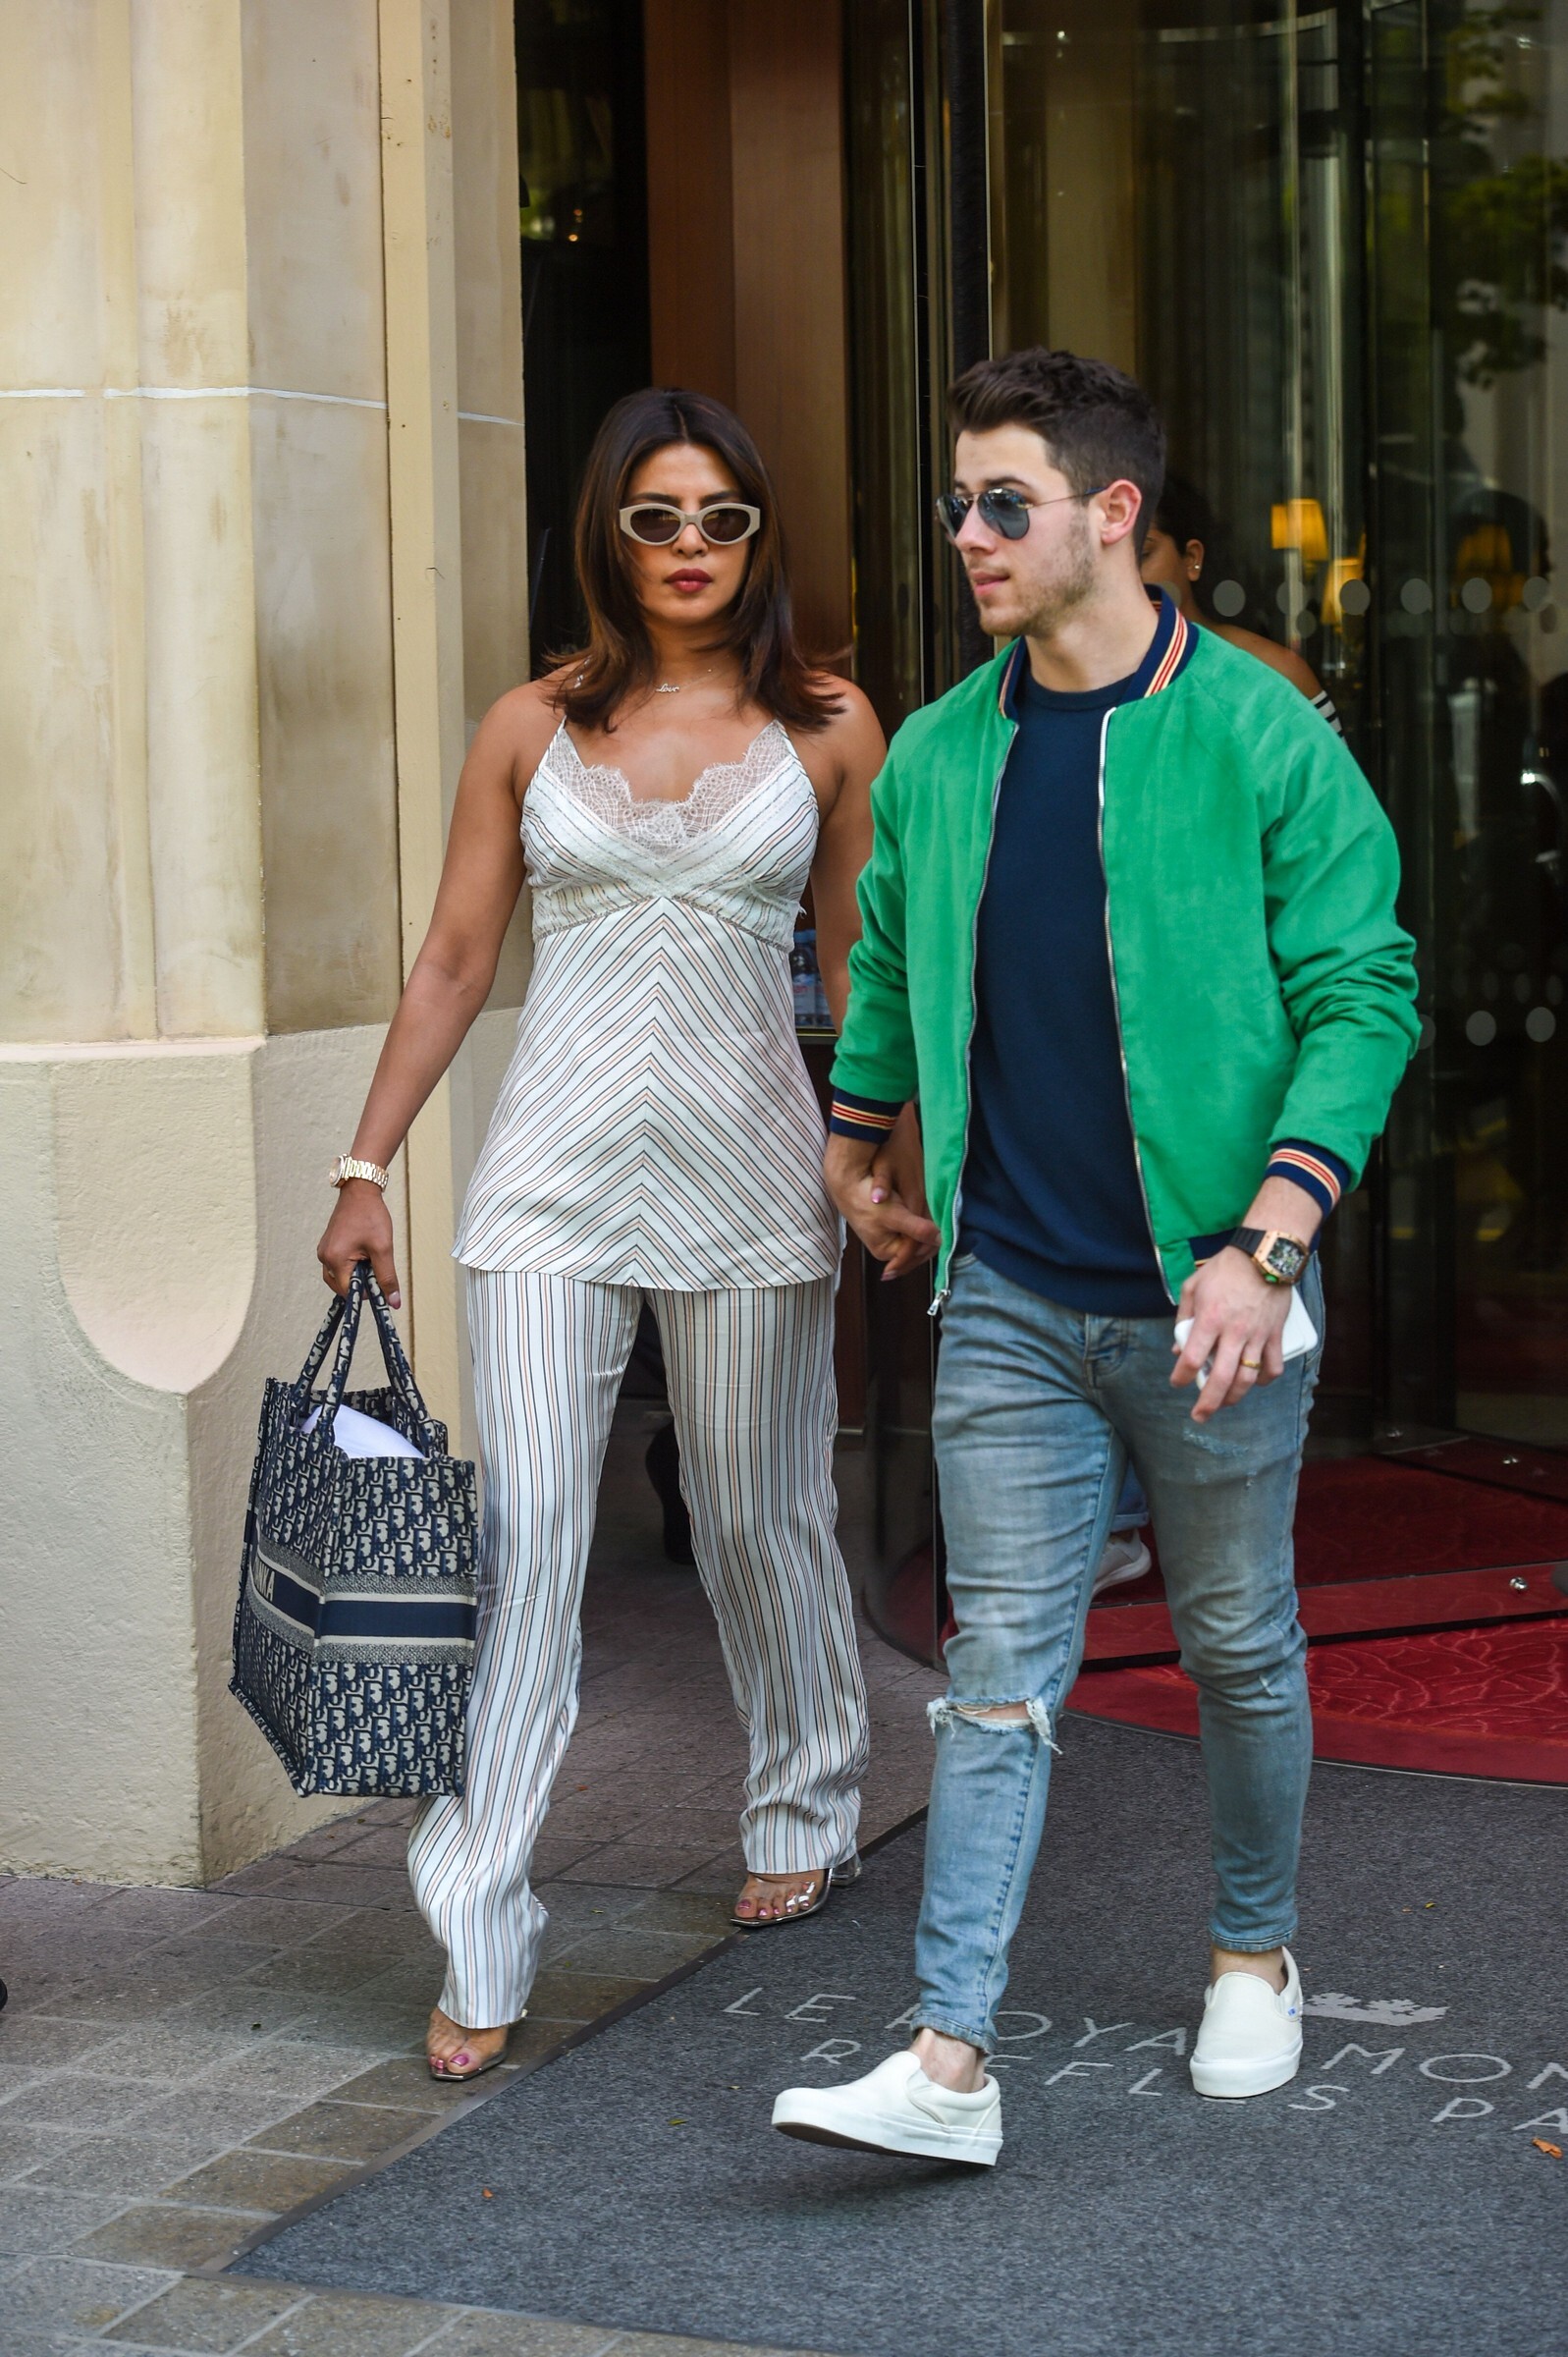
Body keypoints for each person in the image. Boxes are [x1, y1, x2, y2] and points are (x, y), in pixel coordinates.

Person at [772, 348, 1418, 2163]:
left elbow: (1364, 992)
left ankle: (1252, 1953)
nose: (967, 535)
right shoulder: (943, 750)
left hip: (1215, 1301)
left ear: (1112, 513)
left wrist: (1269, 1241)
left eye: (1005, 503)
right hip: (1006, 1296)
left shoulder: (1257, 732)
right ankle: (947, 2060)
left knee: (1237, 1642)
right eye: (956, 503)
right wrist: (855, 1138)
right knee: (996, 1668)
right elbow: (890, 956)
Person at [318, 387, 915, 2083]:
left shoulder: (829, 726)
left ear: (758, 537)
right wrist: (363, 1166)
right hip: (547, 1181)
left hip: (754, 1174)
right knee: (523, 1540)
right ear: (609, 535)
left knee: (758, 1514)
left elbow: (864, 968)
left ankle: (805, 1792)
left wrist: (886, 1162)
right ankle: (481, 1913)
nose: (690, 547)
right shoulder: (529, 724)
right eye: (656, 517)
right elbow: (454, 959)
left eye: (721, 517)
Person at [1139, 473, 1343, 731]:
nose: (1122, 576)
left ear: (1191, 558)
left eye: (1142, 555)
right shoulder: (1095, 678)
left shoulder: (1271, 674)